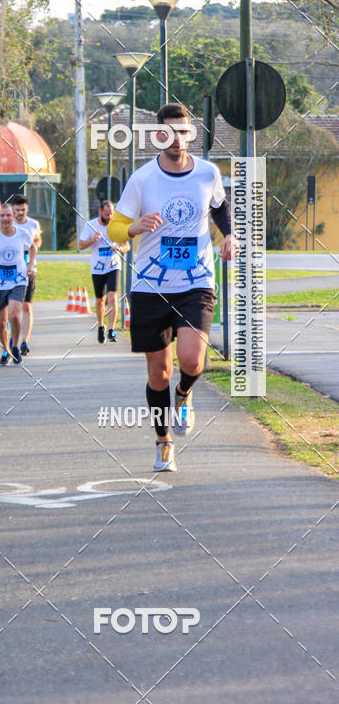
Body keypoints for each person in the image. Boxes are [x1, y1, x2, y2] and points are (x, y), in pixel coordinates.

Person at [107, 102, 237, 472]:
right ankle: (164, 443)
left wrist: (228, 236)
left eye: (183, 131)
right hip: (150, 286)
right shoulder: (143, 179)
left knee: (194, 358)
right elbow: (115, 228)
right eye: (168, 131)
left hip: (196, 281)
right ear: (157, 135)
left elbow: (219, 207)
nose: (176, 138)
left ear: (190, 133)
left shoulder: (208, 173)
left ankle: (184, 395)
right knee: (158, 372)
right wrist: (134, 227)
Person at [0, 203, 35, 365]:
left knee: (14, 315)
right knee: (1, 322)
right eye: (2, 216)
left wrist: (31, 265)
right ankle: (5, 349)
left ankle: (15, 346)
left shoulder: (23, 233)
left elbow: (32, 247)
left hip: (18, 280)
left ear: (13, 217)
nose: (5, 219)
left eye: (8, 215)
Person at [79, 201, 129, 343]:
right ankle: (101, 326)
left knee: (112, 296)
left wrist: (119, 248)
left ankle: (112, 330)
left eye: (111, 214)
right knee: (100, 300)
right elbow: (81, 245)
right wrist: (93, 239)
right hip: (97, 268)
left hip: (113, 266)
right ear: (100, 212)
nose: (109, 217)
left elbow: (127, 246)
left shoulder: (116, 225)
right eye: (107, 214)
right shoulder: (91, 225)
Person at [12, 194, 42, 356]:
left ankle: (25, 341)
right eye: (17, 210)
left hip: (29, 267)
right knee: (12, 307)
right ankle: (12, 339)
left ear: (27, 209)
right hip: (11, 268)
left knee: (26, 305)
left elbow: (38, 241)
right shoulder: (8, 223)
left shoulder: (33, 224)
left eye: (23, 210)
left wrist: (34, 246)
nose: (20, 213)